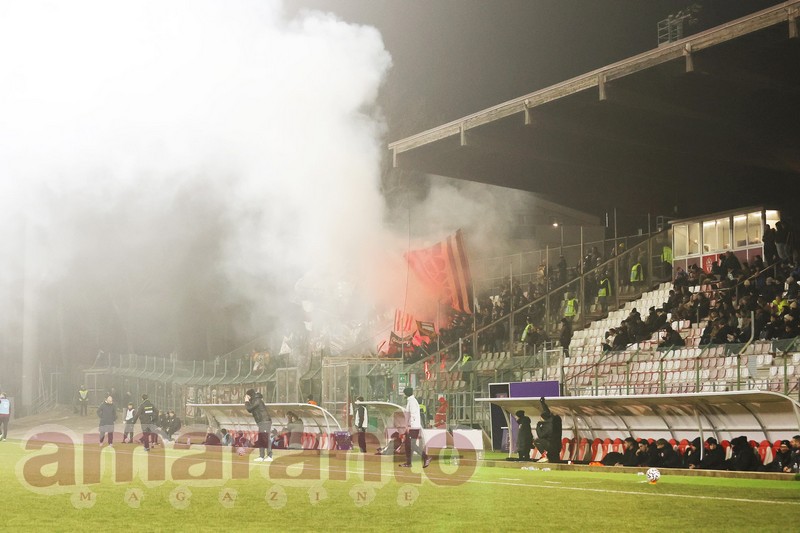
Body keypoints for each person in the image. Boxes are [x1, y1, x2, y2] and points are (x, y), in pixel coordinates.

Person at [399, 387, 430, 468]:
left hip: (413, 427)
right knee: (407, 445)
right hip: (412, 427)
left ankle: (426, 457)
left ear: (406, 394)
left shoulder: (412, 401)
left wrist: (409, 426)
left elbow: (413, 415)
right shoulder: (411, 401)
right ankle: (408, 463)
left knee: (412, 445)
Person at [244, 388, 272, 462]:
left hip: (265, 421)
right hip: (262, 422)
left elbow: (249, 409)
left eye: (247, 396)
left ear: (249, 395)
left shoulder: (257, 400)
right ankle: (261, 456)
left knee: (265, 438)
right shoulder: (255, 400)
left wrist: (246, 401)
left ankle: (269, 456)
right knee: (261, 439)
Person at [534, 397, 562, 463]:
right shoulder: (554, 421)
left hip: (551, 447)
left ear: (543, 419)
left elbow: (540, 435)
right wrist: (542, 403)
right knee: (555, 460)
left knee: (537, 441)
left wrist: (538, 426)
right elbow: (547, 412)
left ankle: (544, 456)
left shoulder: (548, 426)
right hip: (557, 446)